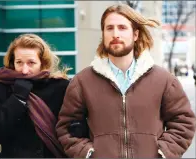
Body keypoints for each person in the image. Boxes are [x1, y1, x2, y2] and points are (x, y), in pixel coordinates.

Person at [56, 4, 196, 158]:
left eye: (122, 27)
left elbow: (184, 122)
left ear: (135, 35)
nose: (115, 34)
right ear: (103, 34)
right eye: (109, 28)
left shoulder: (164, 80)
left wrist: (162, 153)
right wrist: (88, 154)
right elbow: (67, 128)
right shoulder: (82, 82)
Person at [0, 33, 70, 158]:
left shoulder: (61, 87)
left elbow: (72, 130)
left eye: (31, 63)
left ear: (42, 63)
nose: (24, 70)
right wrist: (17, 99)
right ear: (12, 62)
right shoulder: (1, 87)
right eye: (19, 62)